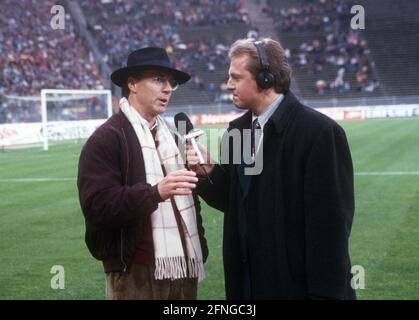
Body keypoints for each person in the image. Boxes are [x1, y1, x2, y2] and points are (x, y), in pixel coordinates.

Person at [186, 38, 356, 299]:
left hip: (294, 289)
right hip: (246, 285)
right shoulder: (236, 131)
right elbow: (232, 200)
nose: (228, 84)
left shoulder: (320, 133)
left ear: (266, 79)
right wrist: (209, 172)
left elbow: (329, 231)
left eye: (236, 77)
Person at [77, 47, 208, 300]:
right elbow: (97, 207)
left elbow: (191, 200)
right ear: (132, 84)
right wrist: (155, 193)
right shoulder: (106, 139)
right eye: (159, 79)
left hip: (185, 266)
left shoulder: (172, 137)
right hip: (134, 272)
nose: (168, 88)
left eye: (171, 83)